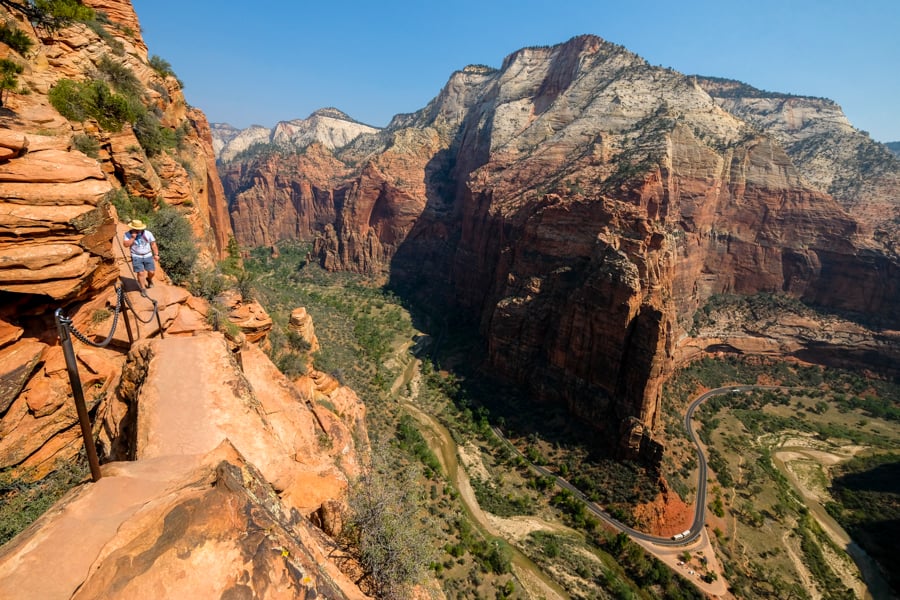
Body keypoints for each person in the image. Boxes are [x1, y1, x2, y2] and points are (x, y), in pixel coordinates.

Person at [123, 219, 160, 289]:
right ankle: (143, 288)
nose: (138, 230)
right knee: (140, 273)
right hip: (136, 256)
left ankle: (149, 279)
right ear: (133, 228)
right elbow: (125, 245)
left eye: (139, 229)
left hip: (148, 255)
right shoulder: (128, 234)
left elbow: (153, 244)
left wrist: (156, 254)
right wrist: (133, 237)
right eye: (136, 229)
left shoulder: (148, 233)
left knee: (151, 272)